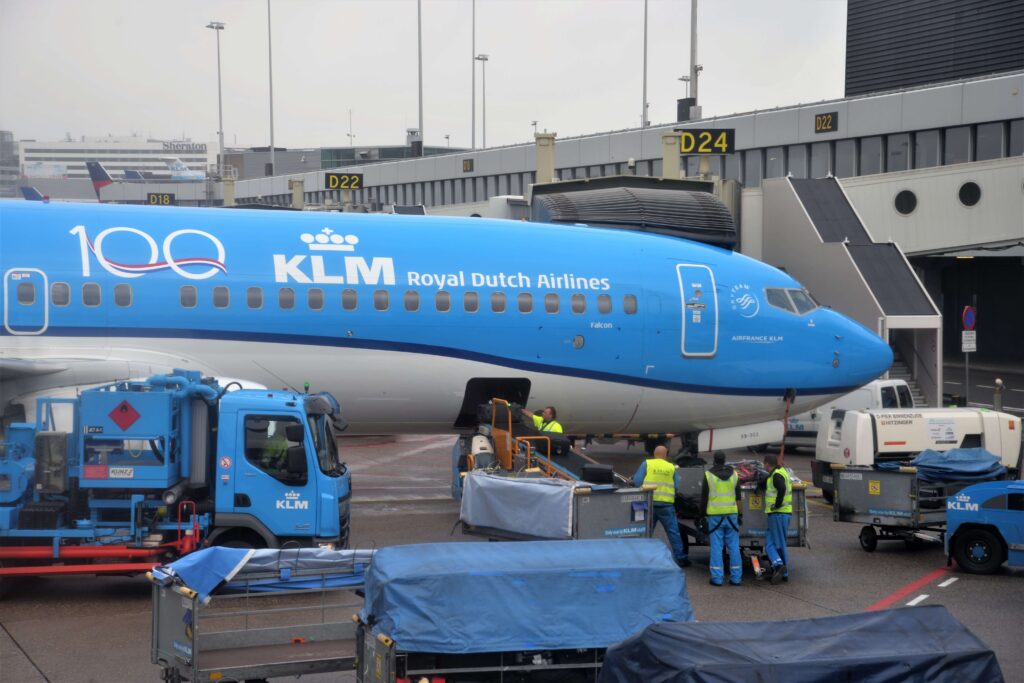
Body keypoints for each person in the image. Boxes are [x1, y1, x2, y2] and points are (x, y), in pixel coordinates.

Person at [632, 445, 691, 568]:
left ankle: (641, 557)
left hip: (649, 504)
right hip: (666, 505)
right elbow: (677, 485)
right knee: (673, 532)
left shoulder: (647, 464)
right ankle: (681, 558)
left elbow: (637, 482)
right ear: (665, 455)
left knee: (646, 532)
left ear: (654, 454)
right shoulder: (671, 467)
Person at [700, 451, 743, 586]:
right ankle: (736, 578)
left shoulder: (709, 475)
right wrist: (740, 515)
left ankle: (717, 578)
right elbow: (738, 498)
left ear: (714, 460)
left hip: (715, 516)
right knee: (734, 546)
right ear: (725, 460)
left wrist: (701, 515)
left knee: (717, 547)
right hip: (732, 514)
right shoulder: (734, 475)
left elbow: (704, 498)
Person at [762, 453, 792, 584]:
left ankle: (782, 569)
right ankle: (779, 568)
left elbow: (781, 488)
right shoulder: (780, 472)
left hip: (778, 513)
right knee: (770, 543)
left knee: (779, 544)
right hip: (780, 514)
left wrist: (777, 505)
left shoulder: (776, 475)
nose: (763, 466)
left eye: (764, 464)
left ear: (767, 464)